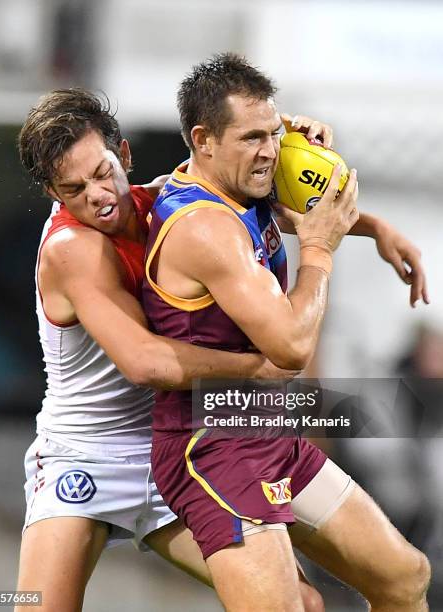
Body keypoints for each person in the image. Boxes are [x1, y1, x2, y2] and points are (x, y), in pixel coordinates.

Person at [16, 88, 328, 612]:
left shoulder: (163, 201)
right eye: (74, 188)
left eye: (102, 171)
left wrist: (276, 139)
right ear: (53, 191)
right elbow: (146, 363)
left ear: (126, 154)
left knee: (298, 603)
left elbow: (259, 193)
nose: (97, 194)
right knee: (30, 605)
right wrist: (258, 368)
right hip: (85, 458)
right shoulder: (73, 249)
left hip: (171, 449)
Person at [142, 53, 431, 612]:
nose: (271, 151)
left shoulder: (232, 180)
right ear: (203, 140)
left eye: (273, 132)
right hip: (213, 446)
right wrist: (320, 248)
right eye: (253, 137)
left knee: (404, 576)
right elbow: (292, 348)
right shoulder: (204, 228)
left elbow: (284, 200)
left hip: (267, 430)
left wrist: (372, 226)